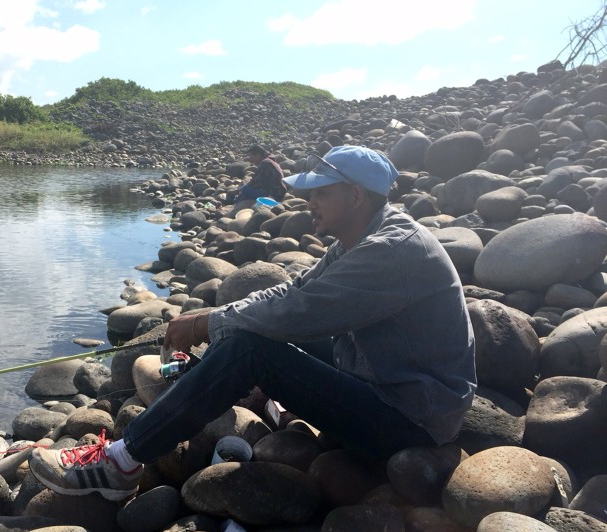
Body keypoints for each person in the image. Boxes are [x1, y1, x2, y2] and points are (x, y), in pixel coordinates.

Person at [29, 145, 477, 500]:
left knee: (250, 348)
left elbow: (299, 313)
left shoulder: (391, 251)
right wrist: (211, 316)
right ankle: (220, 384)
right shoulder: (364, 236)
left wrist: (212, 324)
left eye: (321, 192)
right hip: (384, 373)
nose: (309, 200)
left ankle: (122, 463)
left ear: (355, 195)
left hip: (410, 418)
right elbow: (294, 290)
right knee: (249, 329)